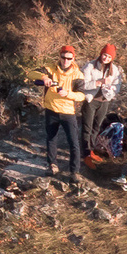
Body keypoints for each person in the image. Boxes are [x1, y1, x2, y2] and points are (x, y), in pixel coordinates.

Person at [34, 44, 88, 182]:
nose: (65, 61)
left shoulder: (78, 75)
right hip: (51, 109)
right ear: (60, 56)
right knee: (51, 138)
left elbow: (82, 95)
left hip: (68, 112)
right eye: (63, 57)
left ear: (73, 59)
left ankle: (74, 172)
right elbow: (30, 73)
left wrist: (68, 93)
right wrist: (44, 77)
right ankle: (52, 165)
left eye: (69, 58)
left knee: (73, 142)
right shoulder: (50, 69)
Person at [83, 43, 122, 157]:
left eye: (109, 57)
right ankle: (85, 152)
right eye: (105, 55)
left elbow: (118, 85)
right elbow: (82, 84)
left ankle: (92, 150)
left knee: (97, 126)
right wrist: (98, 83)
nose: (106, 58)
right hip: (91, 100)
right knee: (87, 127)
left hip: (104, 101)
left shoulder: (114, 69)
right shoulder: (90, 66)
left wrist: (112, 89)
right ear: (101, 54)